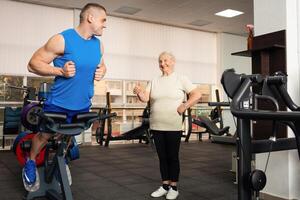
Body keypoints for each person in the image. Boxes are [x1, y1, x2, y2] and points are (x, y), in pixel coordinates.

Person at [23, 3, 107, 191]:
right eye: (103, 20)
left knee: (69, 135)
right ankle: (30, 161)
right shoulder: (62, 39)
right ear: (90, 18)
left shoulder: (98, 45)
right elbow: (32, 64)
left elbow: (102, 65)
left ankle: (60, 161)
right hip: (59, 104)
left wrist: (102, 71)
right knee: (45, 135)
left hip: (83, 104)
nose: (105, 25)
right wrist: (59, 70)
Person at [133, 52, 201, 200]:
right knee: (162, 157)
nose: (162, 63)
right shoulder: (154, 80)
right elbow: (145, 98)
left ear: (173, 61)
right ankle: (165, 185)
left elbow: (197, 94)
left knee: (172, 157)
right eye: (160, 61)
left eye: (165, 60)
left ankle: (174, 187)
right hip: (156, 125)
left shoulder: (181, 79)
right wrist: (139, 92)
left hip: (173, 126)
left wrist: (185, 105)